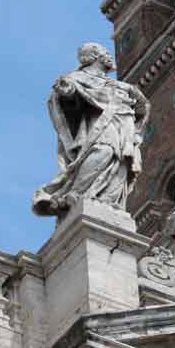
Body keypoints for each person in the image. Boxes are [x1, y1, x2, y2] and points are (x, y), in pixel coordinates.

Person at [32, 42, 148, 217]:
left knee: (122, 163)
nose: (109, 56)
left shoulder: (118, 85)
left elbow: (142, 107)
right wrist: (68, 92)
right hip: (100, 123)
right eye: (105, 53)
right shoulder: (78, 77)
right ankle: (75, 194)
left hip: (123, 125)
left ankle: (107, 200)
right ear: (94, 57)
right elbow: (67, 95)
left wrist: (138, 100)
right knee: (104, 150)